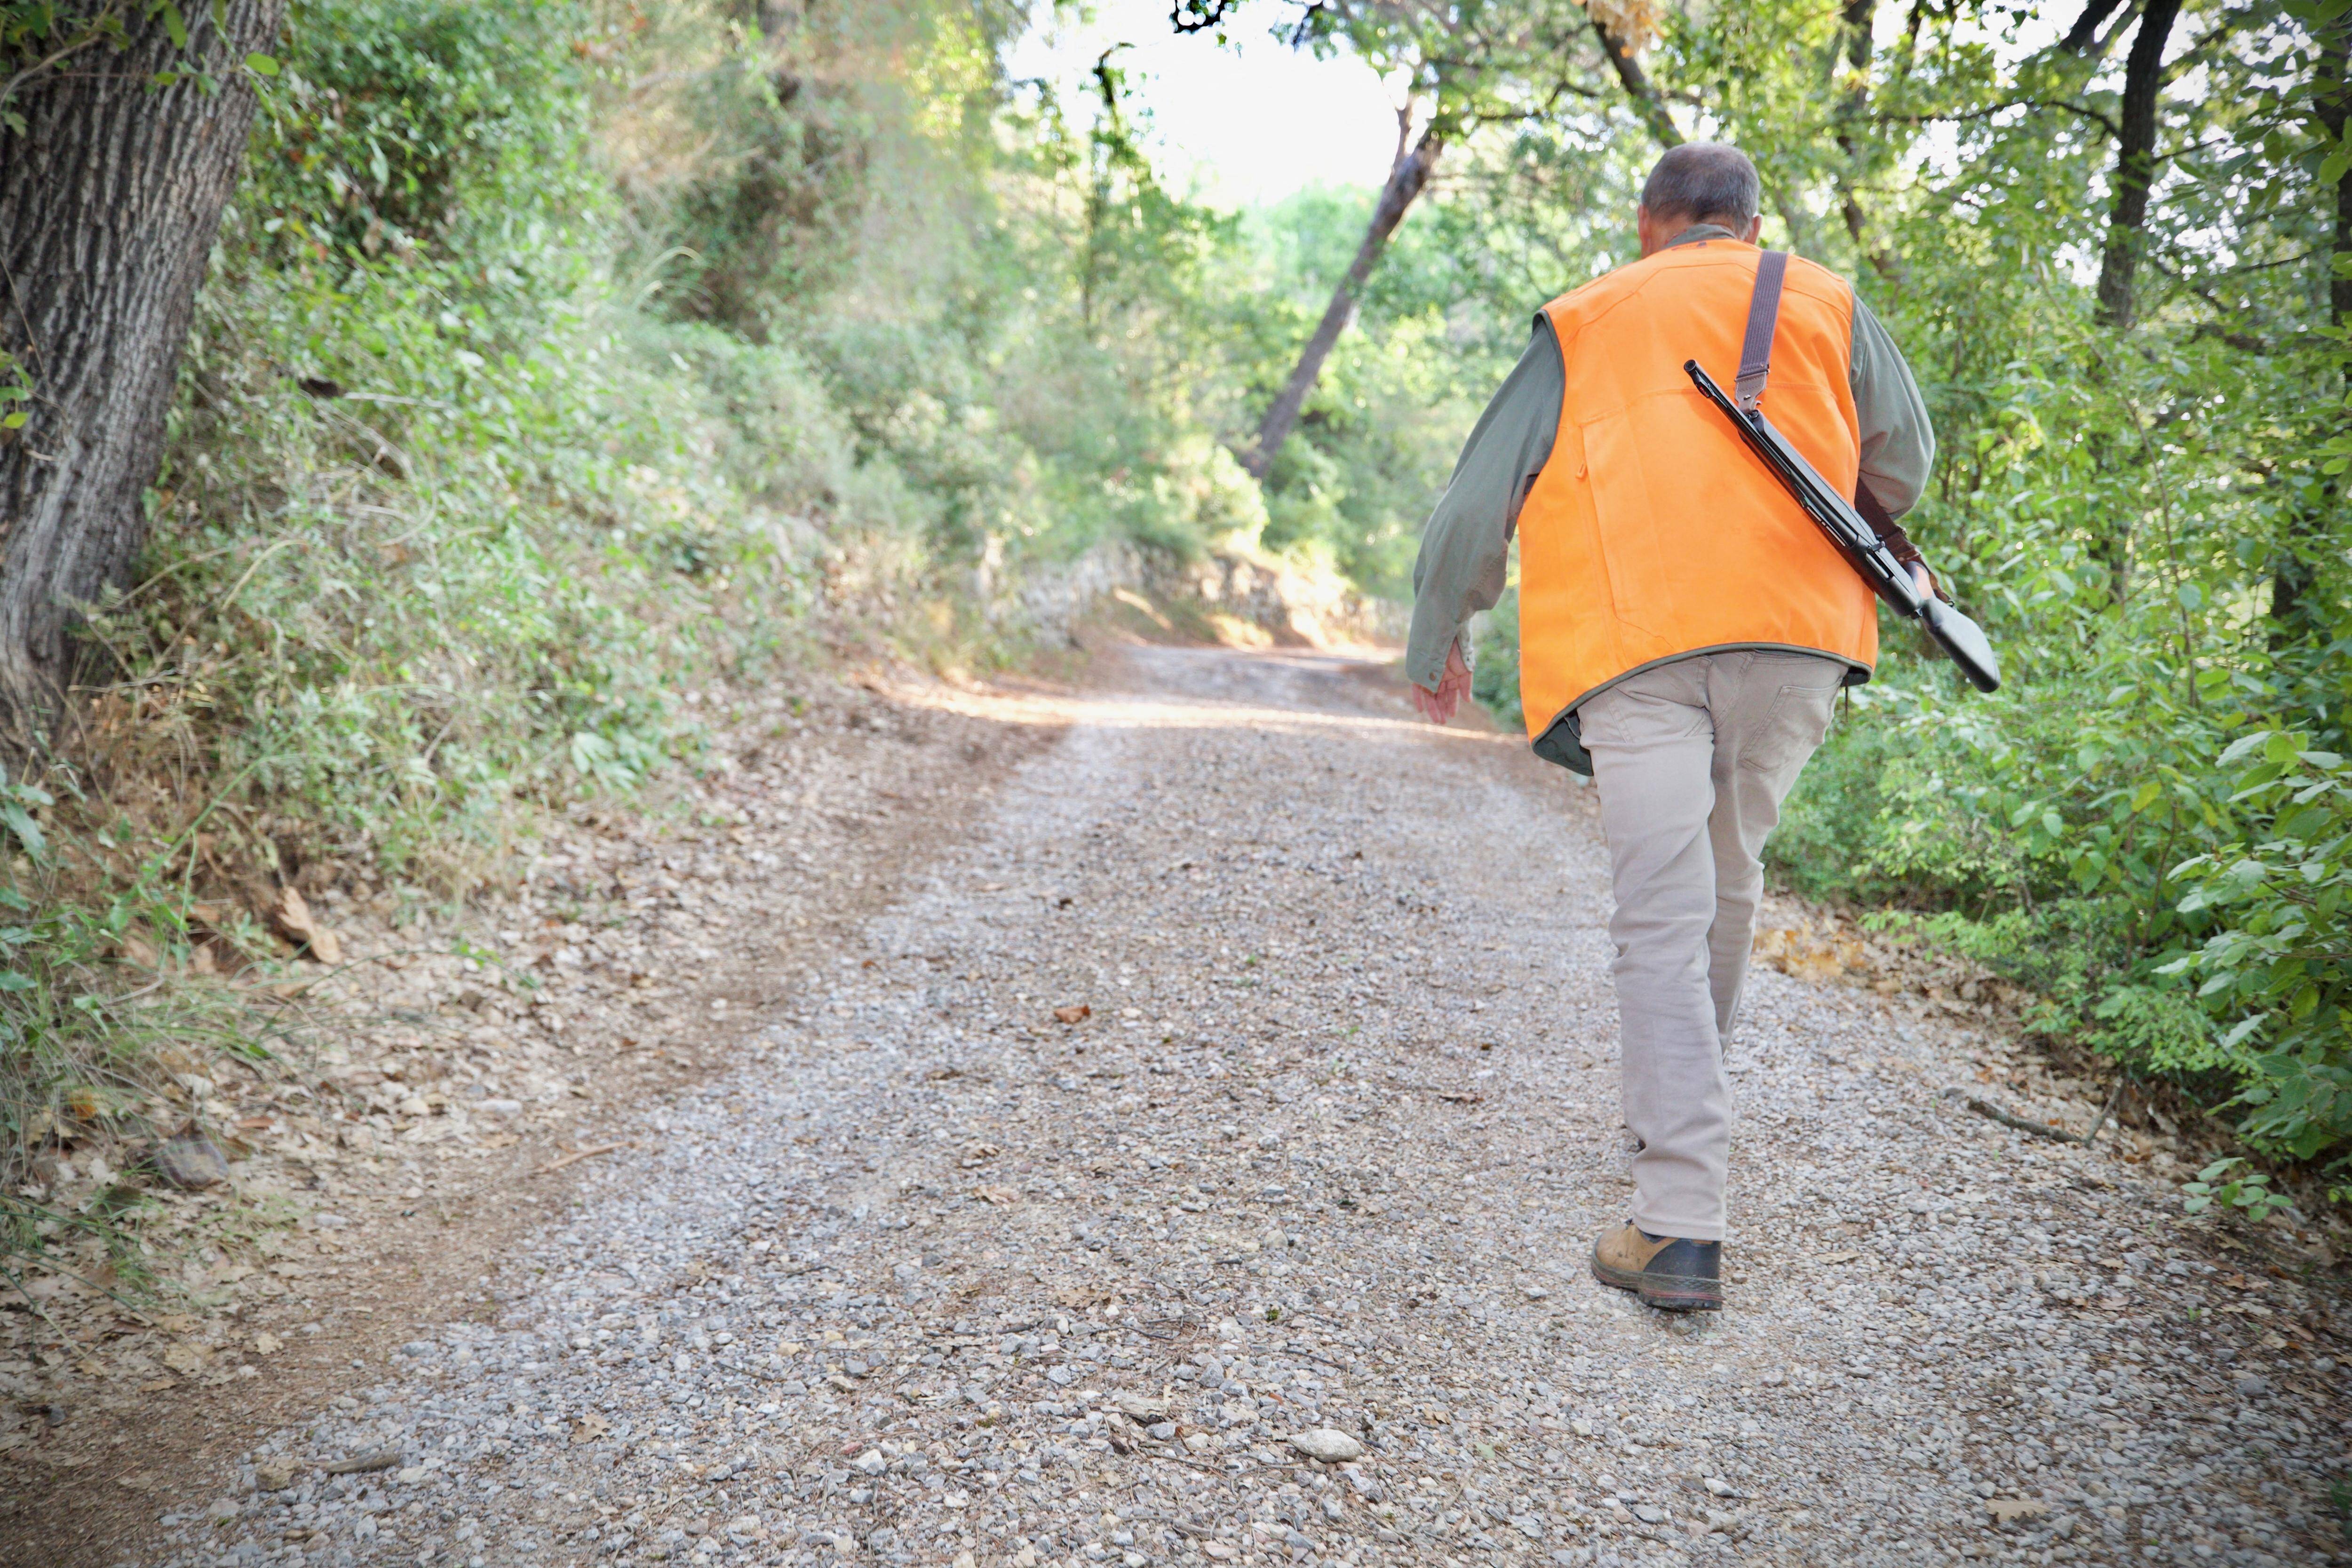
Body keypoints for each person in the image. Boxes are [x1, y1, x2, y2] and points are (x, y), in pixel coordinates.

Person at [1406, 143, 1937, 1312]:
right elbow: (1904, 461)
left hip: (1636, 641)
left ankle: (1681, 1218)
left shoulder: (1589, 313)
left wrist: (1442, 628)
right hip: (1798, 636)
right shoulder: (1827, 299)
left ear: (1649, 222)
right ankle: (1676, 1121)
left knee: (1660, 910)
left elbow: (1475, 498)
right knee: (1725, 878)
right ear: (1751, 227)